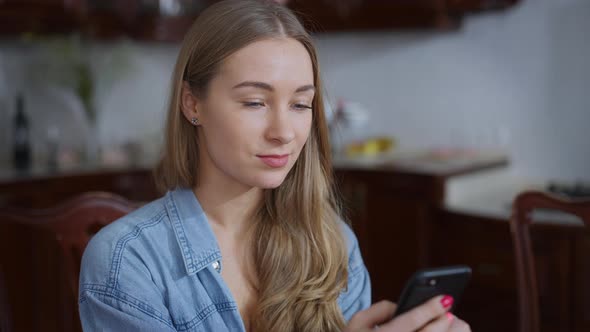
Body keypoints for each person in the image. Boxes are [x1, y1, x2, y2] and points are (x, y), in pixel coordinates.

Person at [78, 1, 471, 331]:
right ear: (192, 103)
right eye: (255, 102)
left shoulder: (333, 244)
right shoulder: (127, 261)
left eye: (300, 105)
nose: (283, 132)